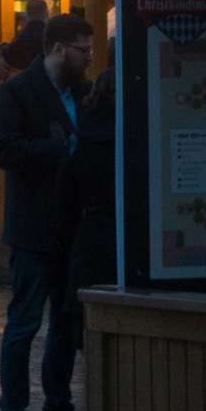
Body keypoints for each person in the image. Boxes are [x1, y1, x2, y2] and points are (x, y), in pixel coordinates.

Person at [0, 10, 94, 411]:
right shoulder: (16, 93)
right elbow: (6, 150)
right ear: (58, 49)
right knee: (25, 324)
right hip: (34, 227)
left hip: (73, 227)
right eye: (82, 51)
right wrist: (61, 149)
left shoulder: (85, 93)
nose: (89, 59)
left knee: (66, 326)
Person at [56, 67, 118, 337]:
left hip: (89, 238)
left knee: (88, 334)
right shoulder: (139, 135)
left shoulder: (80, 139)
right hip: (124, 238)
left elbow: (65, 200)